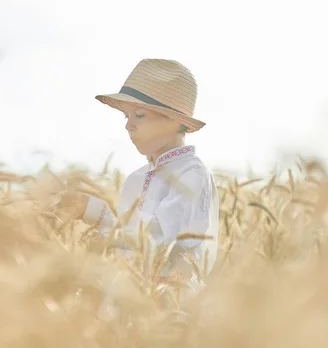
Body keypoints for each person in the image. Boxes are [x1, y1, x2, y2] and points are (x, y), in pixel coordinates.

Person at [59, 58, 219, 296]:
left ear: (175, 120)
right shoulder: (136, 179)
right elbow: (127, 240)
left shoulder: (192, 175)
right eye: (126, 117)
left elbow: (164, 236)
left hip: (173, 302)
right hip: (129, 297)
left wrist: (95, 212)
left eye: (139, 115)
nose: (128, 126)